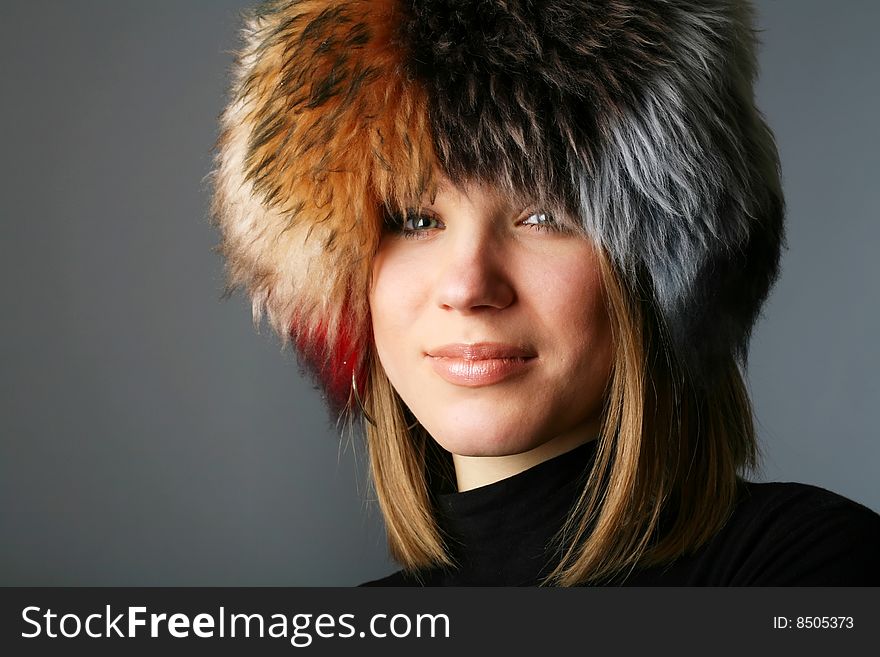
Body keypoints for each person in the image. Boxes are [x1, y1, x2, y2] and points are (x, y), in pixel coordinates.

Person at [210, 0, 880, 585]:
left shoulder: (808, 570)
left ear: (659, 270)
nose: (468, 286)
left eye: (545, 216)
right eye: (415, 219)